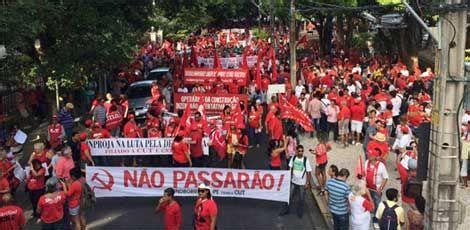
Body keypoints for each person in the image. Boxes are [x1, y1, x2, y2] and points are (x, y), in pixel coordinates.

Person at [280, 145, 312, 218]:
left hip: (302, 183)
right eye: (299, 151)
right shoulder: (293, 158)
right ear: (297, 151)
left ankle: (300, 212)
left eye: (302, 151)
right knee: (289, 196)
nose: (301, 152)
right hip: (293, 181)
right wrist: (289, 178)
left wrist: (307, 183)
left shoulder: (305, 160)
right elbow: (290, 168)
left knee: (301, 198)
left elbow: (308, 172)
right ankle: (286, 210)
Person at [363, 149, 388, 228]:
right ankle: (367, 215)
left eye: (370, 155)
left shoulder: (381, 165)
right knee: (367, 202)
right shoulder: (366, 162)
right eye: (368, 154)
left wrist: (380, 188)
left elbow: (385, 178)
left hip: (376, 189)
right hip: (367, 188)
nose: (368, 156)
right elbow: (364, 173)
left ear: (375, 157)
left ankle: (376, 219)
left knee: (377, 204)